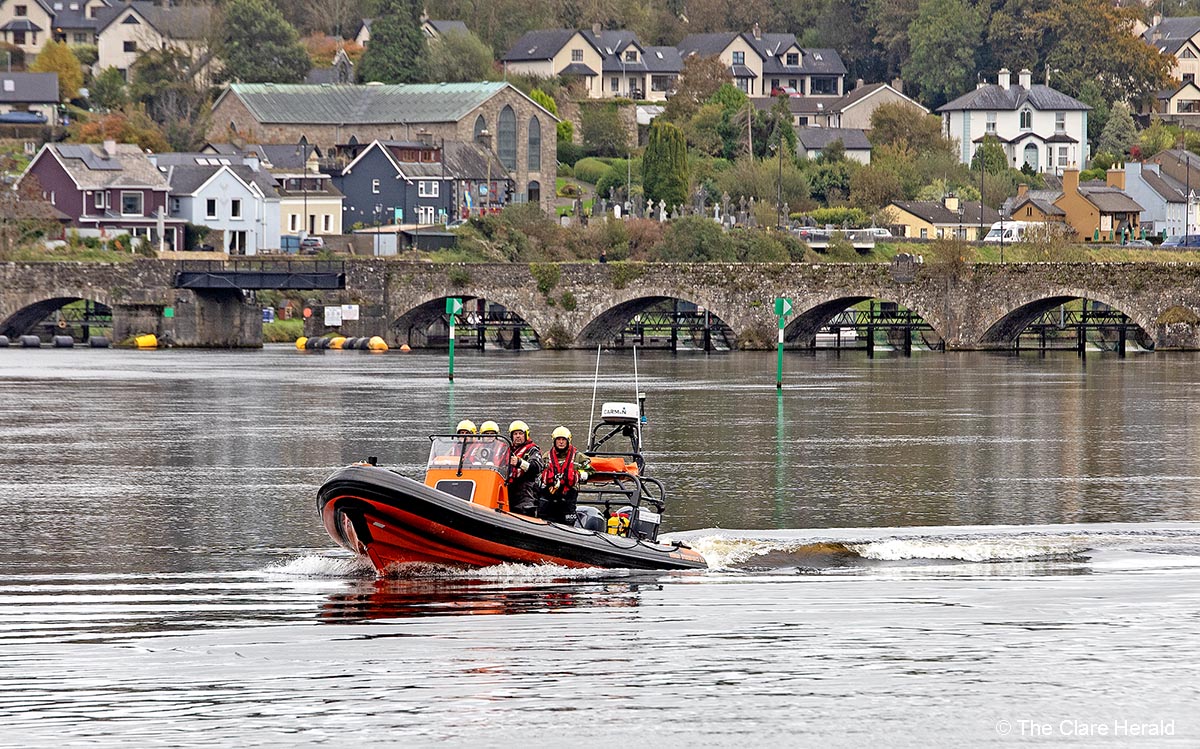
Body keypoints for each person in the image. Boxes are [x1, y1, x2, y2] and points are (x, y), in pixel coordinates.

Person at [538, 426, 591, 523]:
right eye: (558, 440)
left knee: (568, 522)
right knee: (544, 519)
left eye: (563, 440)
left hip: (568, 496)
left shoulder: (578, 457)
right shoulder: (546, 457)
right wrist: (544, 476)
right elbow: (538, 473)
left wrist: (579, 475)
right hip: (549, 495)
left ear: (568, 441)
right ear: (554, 441)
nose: (561, 442)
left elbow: (590, 470)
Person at [506, 420, 542, 515]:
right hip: (509, 489)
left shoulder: (532, 450)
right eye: (515, 434)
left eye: (520, 434)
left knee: (524, 510)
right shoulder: (507, 450)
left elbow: (536, 468)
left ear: (526, 435)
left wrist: (520, 463)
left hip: (526, 491)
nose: (518, 436)